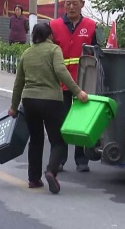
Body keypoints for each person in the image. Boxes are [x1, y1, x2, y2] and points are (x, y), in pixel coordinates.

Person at [8, 23, 89, 194]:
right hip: (51, 101)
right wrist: (78, 91)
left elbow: (18, 83)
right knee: (58, 140)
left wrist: (13, 107)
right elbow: (61, 71)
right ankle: (51, 171)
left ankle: (34, 179)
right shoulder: (54, 50)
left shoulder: (26, 53)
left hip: (29, 101)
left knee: (36, 140)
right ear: (49, 35)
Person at [50, 0, 98, 173]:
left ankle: (81, 159)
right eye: (67, 3)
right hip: (60, 82)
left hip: (84, 82)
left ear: (82, 4)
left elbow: (96, 54)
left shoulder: (91, 26)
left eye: (74, 3)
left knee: (81, 122)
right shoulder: (53, 26)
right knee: (61, 121)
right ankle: (60, 159)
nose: (71, 7)